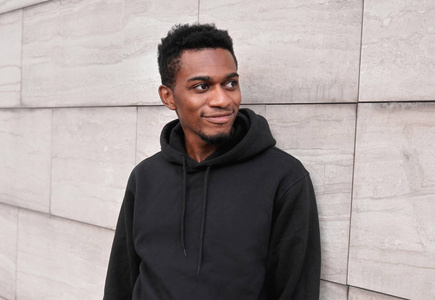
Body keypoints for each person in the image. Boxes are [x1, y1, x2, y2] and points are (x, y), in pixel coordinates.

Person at [104, 23, 321, 300]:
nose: (222, 100)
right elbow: (122, 279)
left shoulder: (284, 178)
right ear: (168, 97)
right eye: (202, 86)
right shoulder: (145, 177)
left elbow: (295, 290)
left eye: (230, 83)